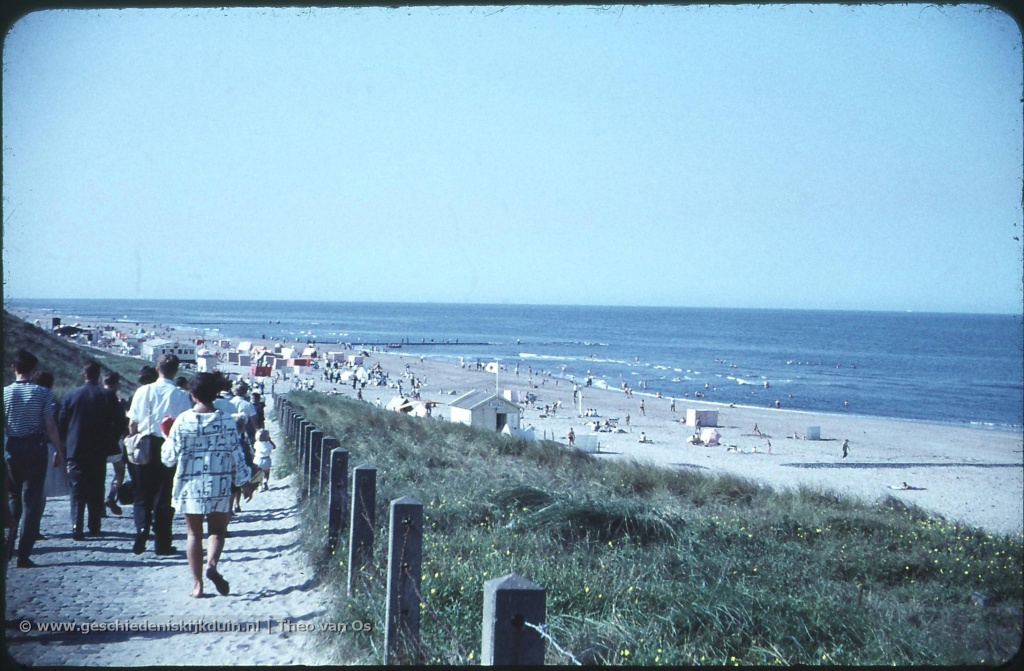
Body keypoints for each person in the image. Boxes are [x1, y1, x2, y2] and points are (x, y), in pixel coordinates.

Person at [162, 373, 256, 597]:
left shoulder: (182, 421)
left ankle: (197, 585)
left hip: (190, 484)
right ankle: (212, 565)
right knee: (217, 531)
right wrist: (246, 483)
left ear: (192, 396)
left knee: (193, 534)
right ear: (215, 394)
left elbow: (168, 459)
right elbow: (237, 455)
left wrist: (166, 436)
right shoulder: (226, 420)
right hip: (219, 483)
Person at [4, 350, 65, 568]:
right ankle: (23, 554)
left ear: (14, 368)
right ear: (33, 369)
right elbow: (50, 424)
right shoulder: (42, 393)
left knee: (13, 498)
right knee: (31, 501)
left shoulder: (5, 393)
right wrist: (58, 448)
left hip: (11, 447)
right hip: (35, 447)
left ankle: (7, 547)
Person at [126, 354, 192, 556]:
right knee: (165, 494)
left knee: (142, 492)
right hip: (169, 444)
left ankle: (142, 528)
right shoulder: (180, 395)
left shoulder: (143, 391)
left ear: (157, 369)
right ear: (176, 370)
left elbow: (132, 423)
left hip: (146, 442)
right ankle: (162, 542)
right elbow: (185, 425)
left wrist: (133, 439)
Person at [59, 361, 120, 540]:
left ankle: (76, 526)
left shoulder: (71, 395)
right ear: (98, 375)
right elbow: (120, 421)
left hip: (76, 448)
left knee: (77, 489)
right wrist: (111, 439)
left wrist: (65, 443)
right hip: (99, 448)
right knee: (96, 486)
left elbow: (62, 422)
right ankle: (94, 525)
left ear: (82, 374)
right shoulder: (107, 395)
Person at [102, 372, 129, 515]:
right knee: (119, 471)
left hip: (98, 441)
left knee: (98, 474)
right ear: (117, 384)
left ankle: (98, 504)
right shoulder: (120, 402)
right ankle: (111, 495)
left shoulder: (96, 397)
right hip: (115, 441)